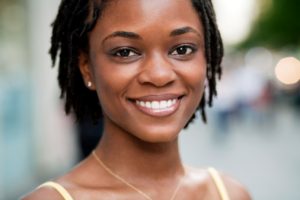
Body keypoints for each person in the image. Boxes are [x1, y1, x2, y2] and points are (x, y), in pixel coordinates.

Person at [23, 0, 251, 199]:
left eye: (182, 48)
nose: (159, 75)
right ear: (87, 68)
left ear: (207, 58)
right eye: (125, 52)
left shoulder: (229, 194)